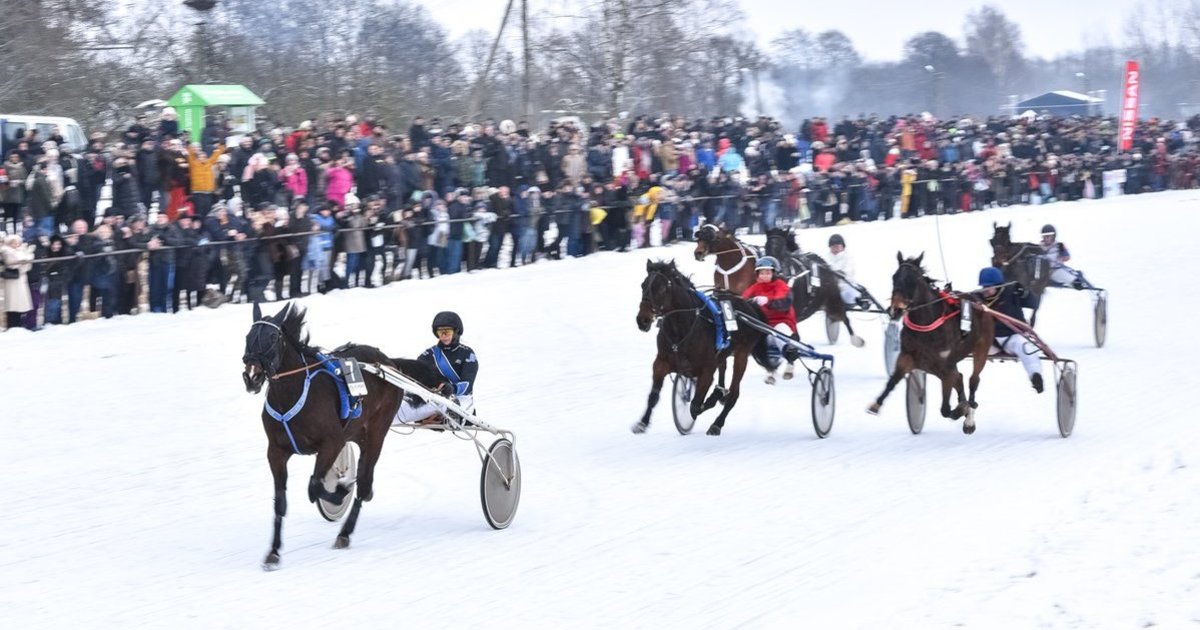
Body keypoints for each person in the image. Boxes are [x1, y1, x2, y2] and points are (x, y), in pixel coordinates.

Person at [394, 311, 479, 425]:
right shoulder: (429, 354)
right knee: (392, 416)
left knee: (452, 416)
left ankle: (449, 417)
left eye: (447, 332)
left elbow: (467, 385)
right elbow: (415, 375)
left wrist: (452, 388)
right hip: (434, 399)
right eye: (440, 332)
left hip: (461, 398)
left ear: (456, 331)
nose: (443, 336)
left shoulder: (467, 353)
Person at [979, 266, 1043, 393]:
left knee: (1024, 347)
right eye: (983, 286)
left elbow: (1034, 303)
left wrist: (1025, 293)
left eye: (989, 286)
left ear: (998, 285)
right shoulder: (978, 298)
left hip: (1012, 336)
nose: (985, 290)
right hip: (989, 340)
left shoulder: (1013, 292)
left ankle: (1035, 375)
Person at [742, 256, 801, 384]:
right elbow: (743, 299)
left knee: (779, 333)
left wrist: (768, 301)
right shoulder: (754, 287)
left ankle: (790, 358)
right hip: (764, 323)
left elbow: (783, 302)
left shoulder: (781, 286)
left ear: (774, 273)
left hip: (783, 321)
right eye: (762, 273)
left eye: (767, 272)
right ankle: (770, 370)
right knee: (763, 340)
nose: (764, 275)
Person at [1039, 224, 1093, 290]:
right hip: (1041, 272)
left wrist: (1063, 253)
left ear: (1053, 236)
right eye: (1045, 236)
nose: (1046, 238)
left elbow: (1067, 257)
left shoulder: (1059, 246)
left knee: (1062, 274)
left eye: (1049, 236)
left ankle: (1075, 282)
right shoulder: (1039, 247)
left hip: (1055, 270)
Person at [827, 233, 871, 308]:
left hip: (845, 286)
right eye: (833, 247)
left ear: (843, 247)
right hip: (830, 287)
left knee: (850, 291)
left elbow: (848, 273)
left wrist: (837, 274)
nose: (835, 248)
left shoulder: (848, 257)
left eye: (837, 246)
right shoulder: (826, 258)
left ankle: (861, 300)